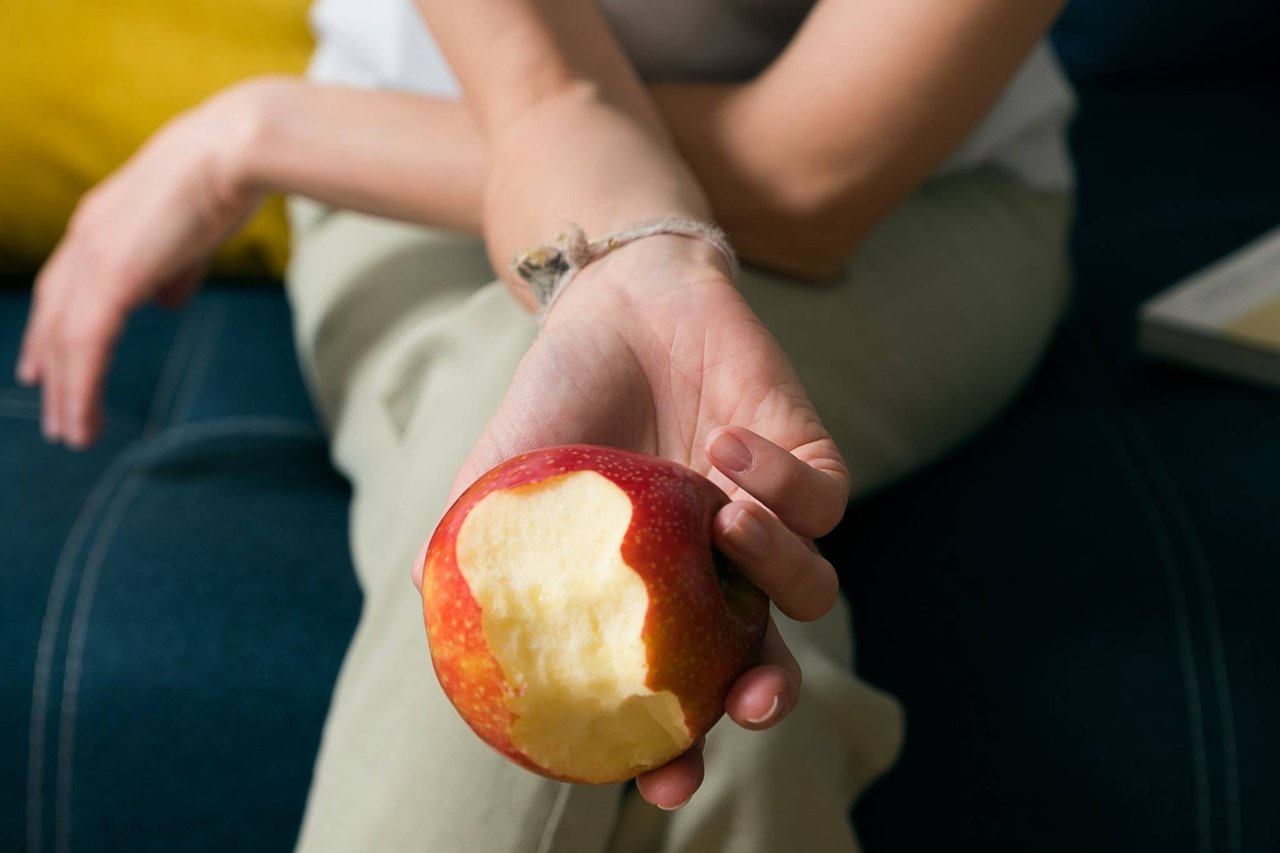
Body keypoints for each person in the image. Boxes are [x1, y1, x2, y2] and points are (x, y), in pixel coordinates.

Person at [16, 0, 1074, 849]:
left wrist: (266, 129)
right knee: (740, 740)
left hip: (915, 219)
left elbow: (805, 181)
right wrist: (634, 270)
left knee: (555, 543)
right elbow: (548, 93)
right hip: (409, 182)